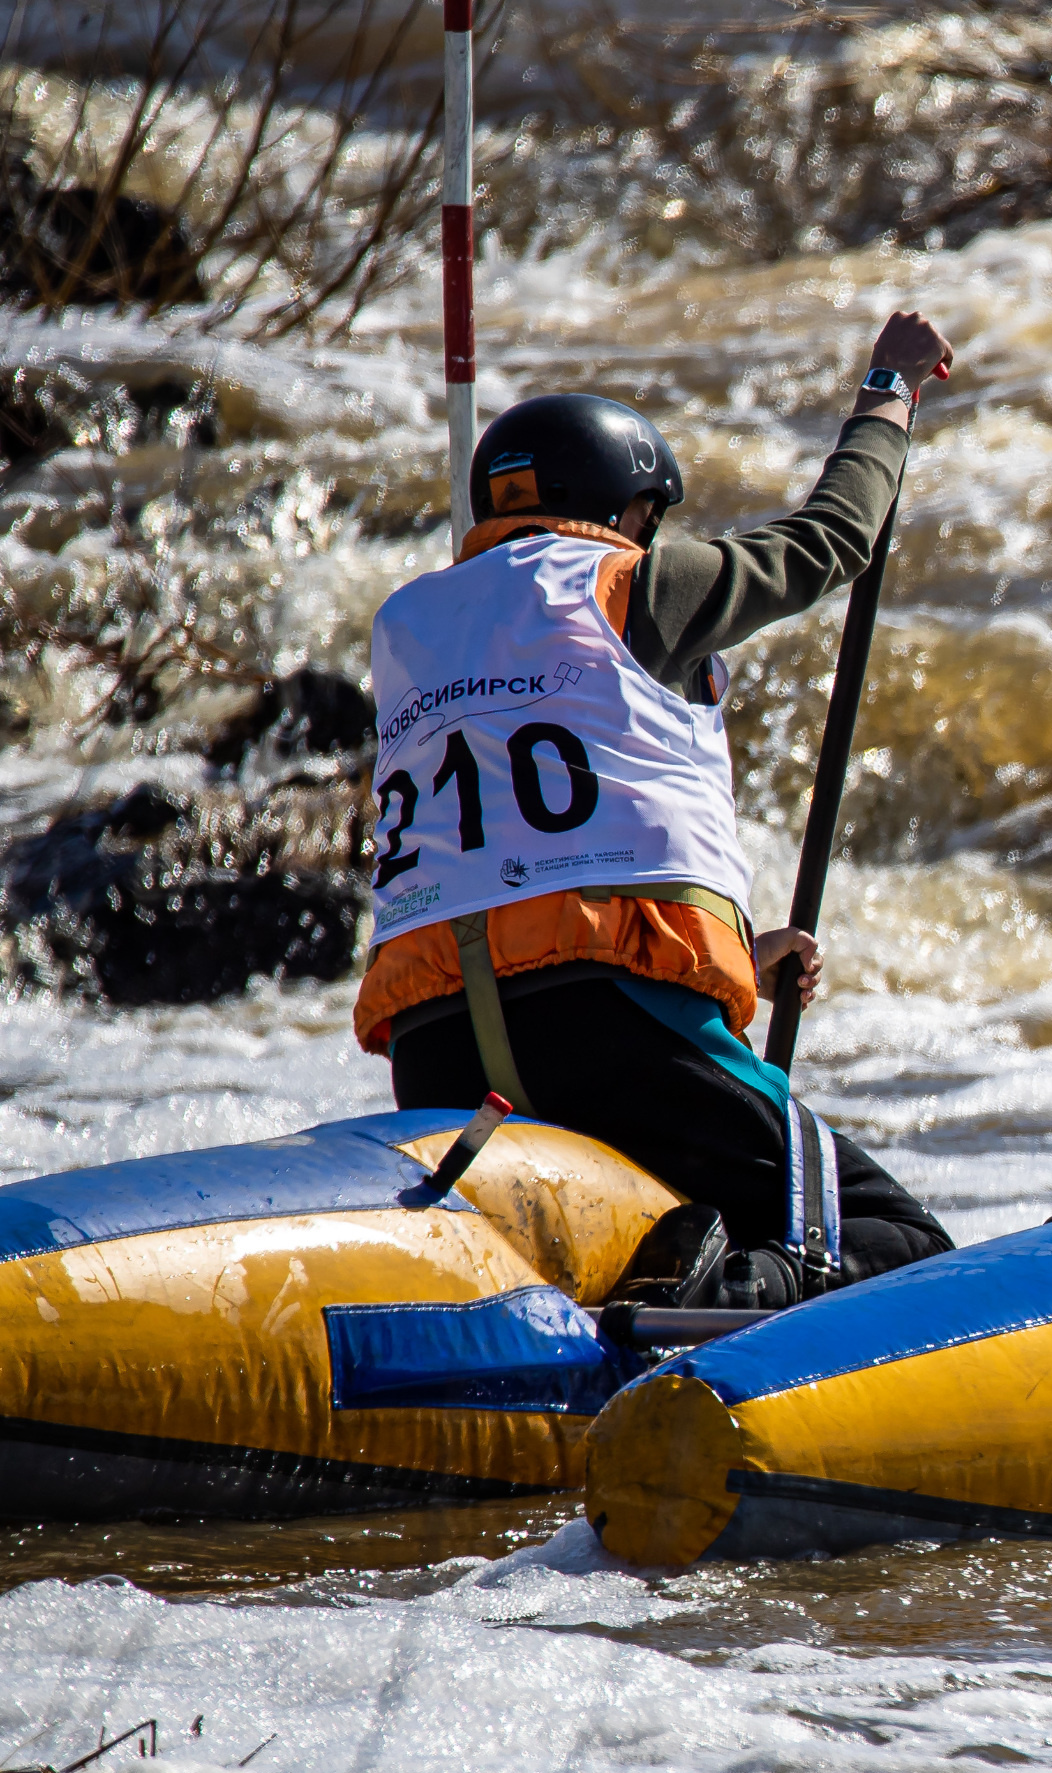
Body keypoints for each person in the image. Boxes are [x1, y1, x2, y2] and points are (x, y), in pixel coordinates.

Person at [352, 312, 962, 1305]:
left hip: (437, 1053)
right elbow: (834, 539)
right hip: (611, 1033)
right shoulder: (632, 583)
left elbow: (506, 838)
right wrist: (889, 392)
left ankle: (646, 1288)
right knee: (896, 1238)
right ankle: (722, 1297)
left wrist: (728, 951)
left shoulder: (411, 626)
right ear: (629, 509)